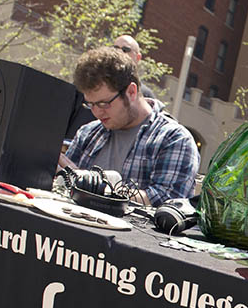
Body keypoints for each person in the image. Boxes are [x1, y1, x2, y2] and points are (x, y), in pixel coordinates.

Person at [61, 46, 199, 207]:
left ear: (131, 92)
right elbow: (65, 189)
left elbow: (169, 202)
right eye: (90, 104)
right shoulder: (88, 133)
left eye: (104, 103)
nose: (97, 112)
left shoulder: (174, 139)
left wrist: (99, 188)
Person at [113, 34, 158, 100]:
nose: (119, 53)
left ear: (138, 58)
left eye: (125, 50)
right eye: (115, 49)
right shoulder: (99, 84)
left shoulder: (146, 95)